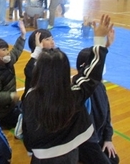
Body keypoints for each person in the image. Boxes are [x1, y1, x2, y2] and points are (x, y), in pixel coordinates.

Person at [22, 14, 114, 164]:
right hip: (69, 152)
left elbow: (29, 71)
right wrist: (100, 42)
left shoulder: (30, 97)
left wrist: (29, 148)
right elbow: (91, 75)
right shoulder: (72, 94)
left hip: (42, 156)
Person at [74, 30, 119, 164]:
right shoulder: (80, 89)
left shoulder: (100, 86)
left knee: (114, 160)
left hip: (98, 137)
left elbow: (107, 114)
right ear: (84, 67)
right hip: (87, 140)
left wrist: (108, 138)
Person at [0, 20, 26, 128]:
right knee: (27, 119)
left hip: (11, 105)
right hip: (3, 113)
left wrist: (22, 36)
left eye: (7, 49)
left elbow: (16, 51)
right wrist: (11, 96)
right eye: (4, 50)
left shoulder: (7, 61)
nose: (8, 52)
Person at [21, 29, 55, 101]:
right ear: (37, 43)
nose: (52, 42)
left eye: (53, 39)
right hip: (34, 102)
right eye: (47, 39)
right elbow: (29, 71)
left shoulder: (55, 58)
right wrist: (38, 49)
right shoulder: (34, 63)